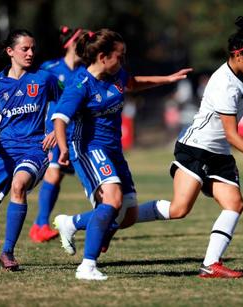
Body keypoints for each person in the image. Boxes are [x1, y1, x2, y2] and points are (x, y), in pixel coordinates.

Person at [134, 16, 243, 278]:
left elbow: (239, 94)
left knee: (234, 204)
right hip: (196, 149)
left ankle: (211, 264)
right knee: (179, 210)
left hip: (218, 156)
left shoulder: (240, 75)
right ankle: (120, 218)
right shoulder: (225, 84)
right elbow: (231, 135)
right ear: (238, 55)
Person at [51, 28, 192, 281]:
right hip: (88, 148)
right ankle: (87, 266)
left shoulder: (116, 75)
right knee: (112, 200)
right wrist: (62, 147)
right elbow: (60, 119)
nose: (123, 60)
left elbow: (133, 83)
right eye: (120, 56)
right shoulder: (80, 84)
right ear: (103, 56)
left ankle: (71, 223)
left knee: (128, 215)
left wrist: (168, 79)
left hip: (113, 150)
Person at [0, 29, 59, 271]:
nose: (30, 53)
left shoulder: (44, 78)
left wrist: (55, 130)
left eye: (32, 48)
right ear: (10, 52)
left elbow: (65, 105)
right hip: (3, 152)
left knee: (19, 186)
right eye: (25, 49)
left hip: (35, 149)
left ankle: (8, 252)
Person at [29, 26, 85, 243]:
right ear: (70, 43)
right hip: (56, 132)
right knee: (53, 174)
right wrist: (46, 129)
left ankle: (39, 224)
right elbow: (36, 99)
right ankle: (41, 225)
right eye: (81, 41)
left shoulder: (86, 70)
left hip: (79, 134)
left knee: (64, 177)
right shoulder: (50, 69)